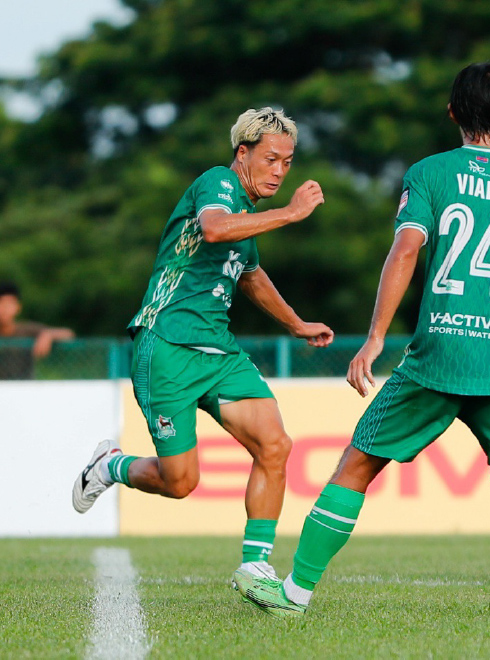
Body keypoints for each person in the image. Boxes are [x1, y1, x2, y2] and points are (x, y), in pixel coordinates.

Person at [235, 63, 490, 620]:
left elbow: (405, 252)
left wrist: (374, 339)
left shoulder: (429, 173)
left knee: (356, 464)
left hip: (437, 356)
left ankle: (295, 594)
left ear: (452, 114)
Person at [71, 107, 334, 590]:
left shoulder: (247, 218)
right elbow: (214, 228)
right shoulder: (218, 183)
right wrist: (292, 213)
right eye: (271, 158)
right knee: (180, 483)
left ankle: (255, 567)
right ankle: (110, 466)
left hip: (218, 351)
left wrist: (296, 322)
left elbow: (251, 276)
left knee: (275, 444)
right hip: (167, 343)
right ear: (242, 153)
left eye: (288, 161)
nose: (280, 170)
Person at [0, 282, 75, 379]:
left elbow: (68, 333)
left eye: (8, 304)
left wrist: (47, 334)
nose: (4, 308)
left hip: (25, 386)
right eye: (1, 303)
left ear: (18, 307)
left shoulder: (26, 330)